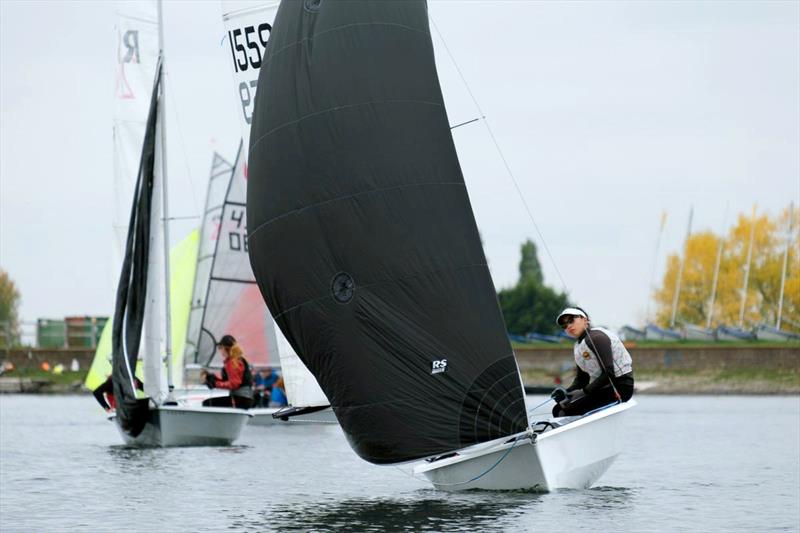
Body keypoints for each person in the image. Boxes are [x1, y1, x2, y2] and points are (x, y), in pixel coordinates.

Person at [551, 306, 634, 417]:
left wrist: (584, 392)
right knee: (559, 407)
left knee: (564, 410)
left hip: (620, 387)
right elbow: (582, 380)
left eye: (571, 320)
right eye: (564, 325)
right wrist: (566, 392)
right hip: (603, 388)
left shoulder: (596, 338)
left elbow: (609, 373)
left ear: (585, 320)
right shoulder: (578, 346)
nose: (568, 326)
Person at [200, 334, 254, 409]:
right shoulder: (236, 360)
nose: (220, 350)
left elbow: (234, 384)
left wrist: (215, 383)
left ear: (225, 348)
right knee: (209, 403)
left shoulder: (233, 362)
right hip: (242, 399)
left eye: (220, 348)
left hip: (240, 400)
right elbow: (229, 381)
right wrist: (212, 378)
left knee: (207, 403)